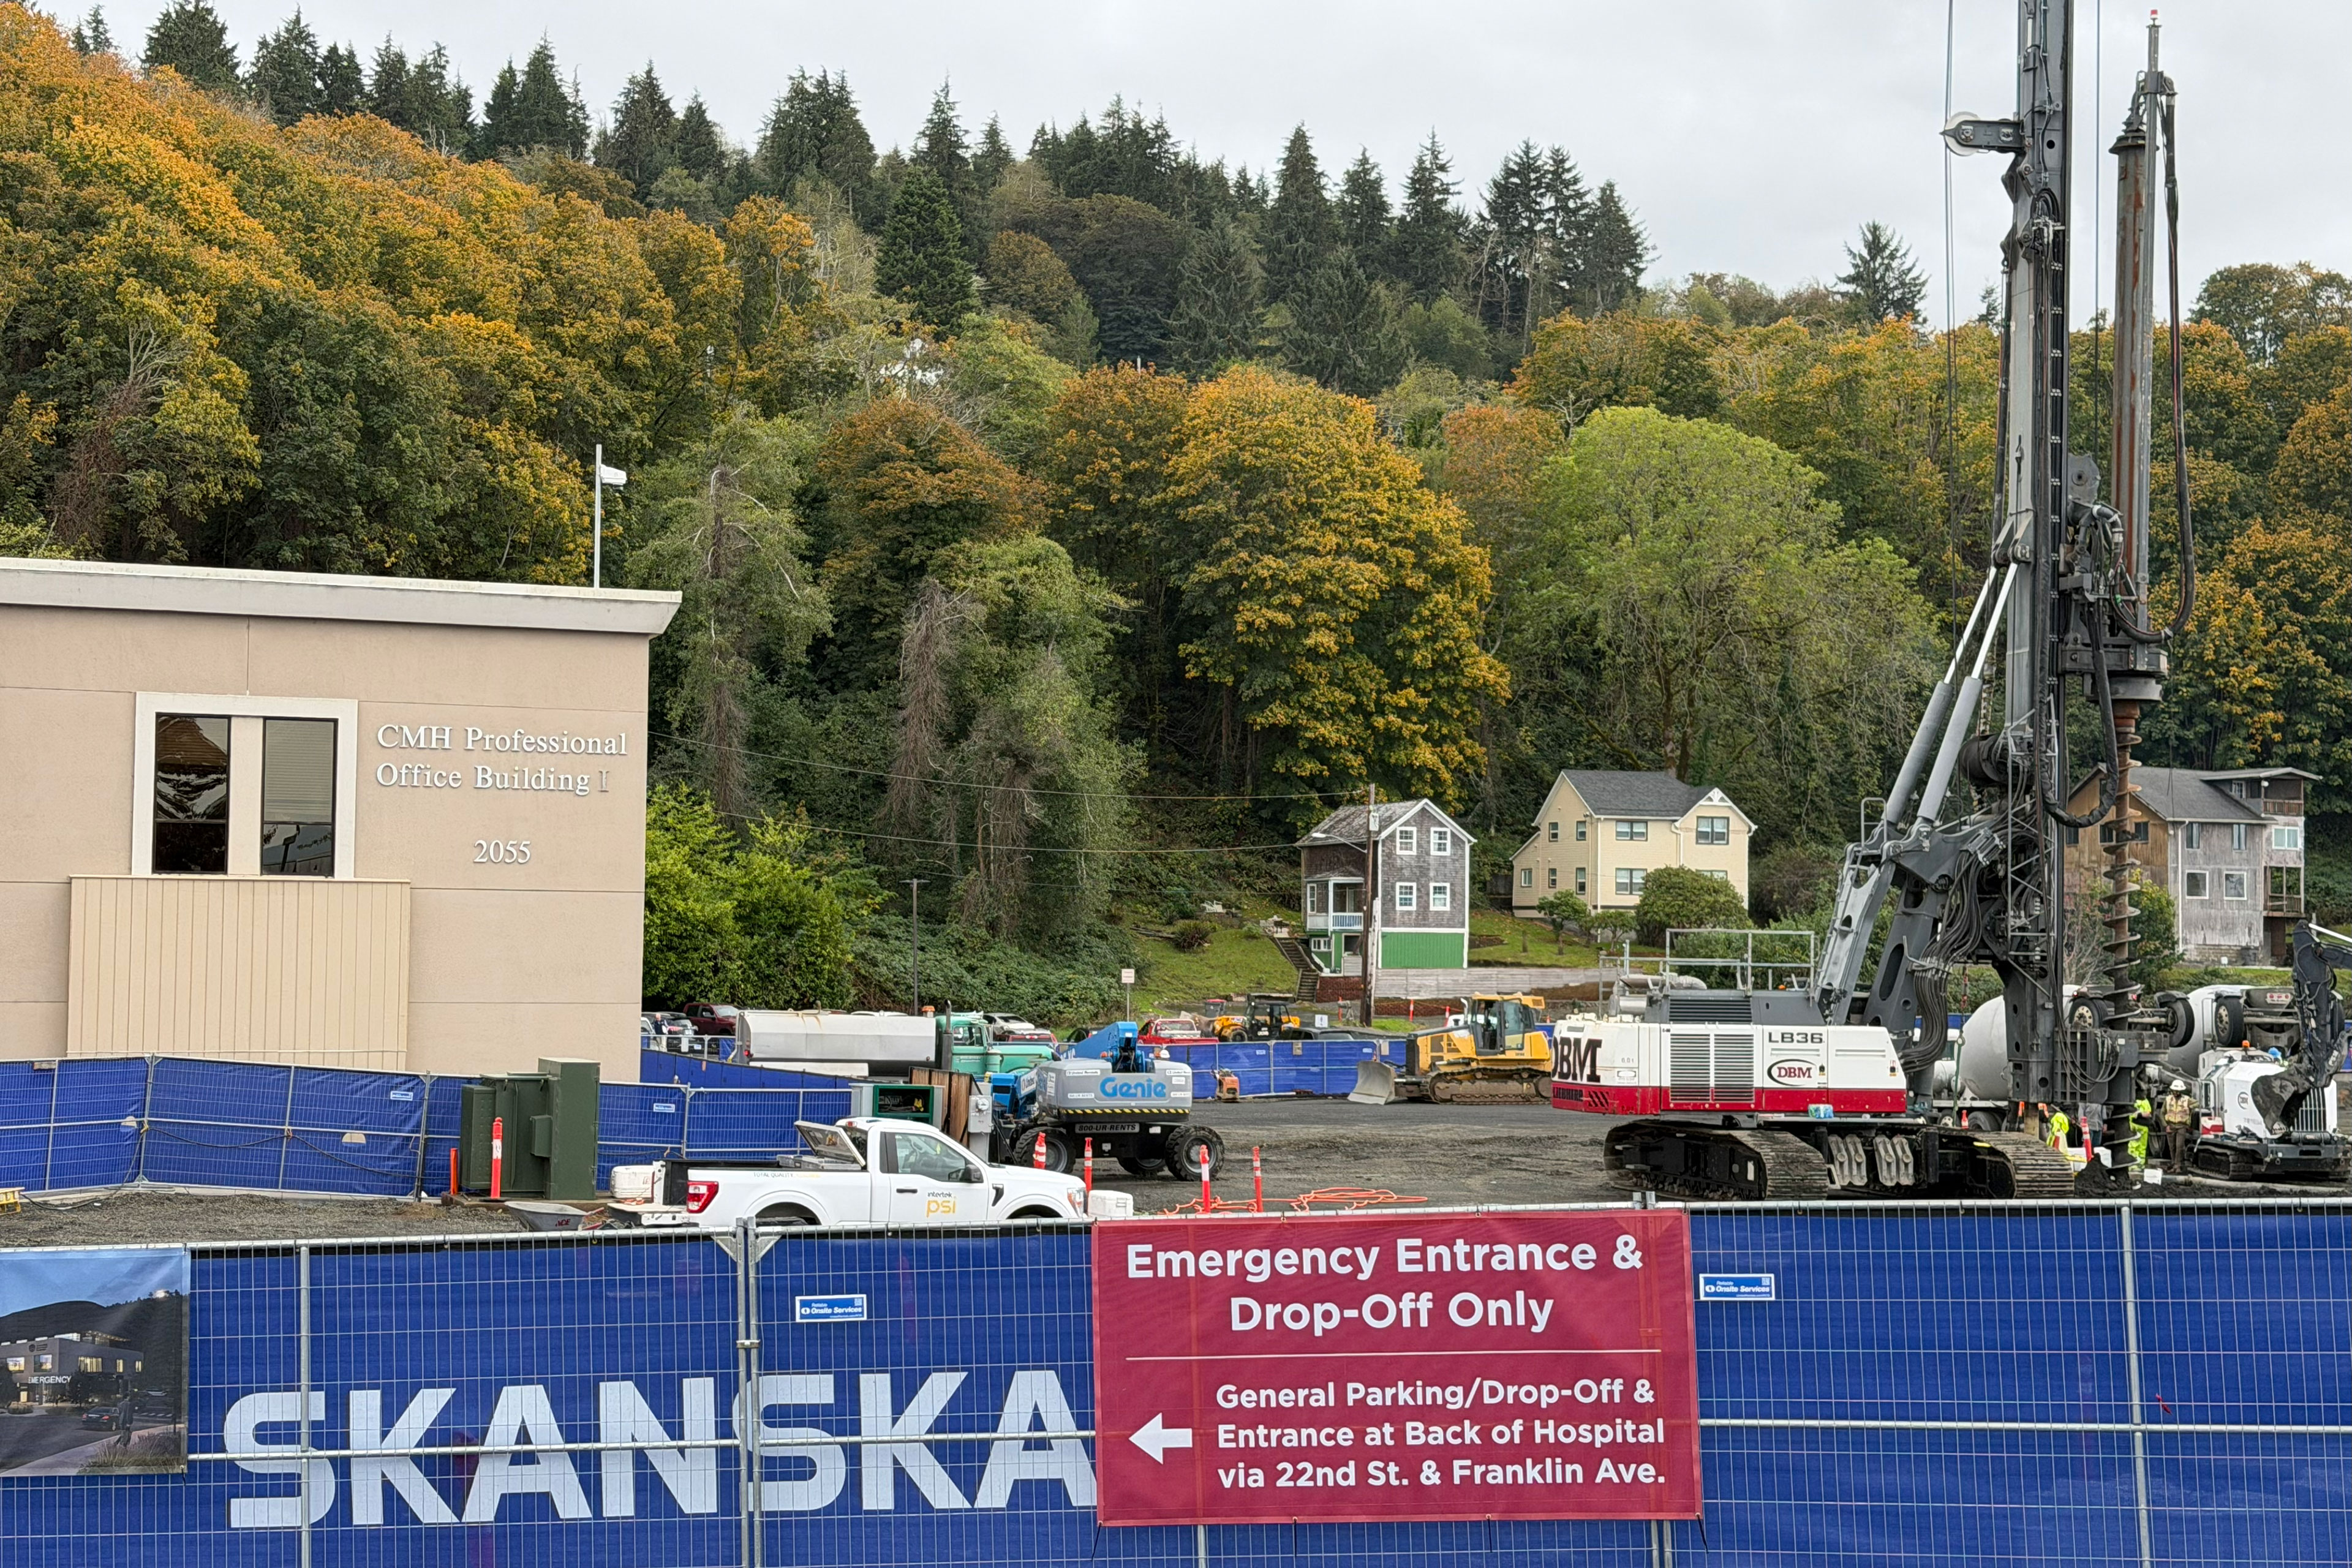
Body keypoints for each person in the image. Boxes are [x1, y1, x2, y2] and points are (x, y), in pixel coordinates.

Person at [2160, 1078, 2197, 1173]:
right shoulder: (2168, 1100)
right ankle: (2173, 1164)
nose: (2176, 1092)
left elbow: (2198, 1103)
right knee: (2172, 1147)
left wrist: (2191, 1107)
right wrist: (2166, 1126)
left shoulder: (2187, 1100)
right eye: (2175, 1091)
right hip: (2171, 1125)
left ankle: (2178, 1165)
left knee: (2180, 1146)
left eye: (2178, 1091)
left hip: (2182, 1126)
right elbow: (2162, 1113)